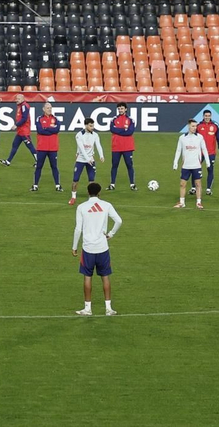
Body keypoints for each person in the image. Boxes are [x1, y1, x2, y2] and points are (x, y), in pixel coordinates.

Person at [71, 182, 123, 316]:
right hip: (102, 247)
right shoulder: (106, 205)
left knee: (87, 277)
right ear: (99, 192)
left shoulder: (82, 207)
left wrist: (74, 247)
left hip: (88, 248)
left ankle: (87, 309)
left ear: (88, 192)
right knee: (105, 276)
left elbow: (78, 229)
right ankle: (108, 308)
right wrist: (111, 234)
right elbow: (119, 221)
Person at [171, 118, 210, 210]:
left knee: (198, 184)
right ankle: (182, 202)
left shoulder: (200, 137)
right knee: (182, 184)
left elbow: (204, 149)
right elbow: (178, 150)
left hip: (196, 165)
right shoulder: (182, 138)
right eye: (193, 126)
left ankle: (199, 202)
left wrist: (207, 162)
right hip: (186, 165)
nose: (194, 128)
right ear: (188, 126)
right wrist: (175, 162)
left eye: (196, 126)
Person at [69, 118, 103, 205]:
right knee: (75, 179)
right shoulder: (79, 135)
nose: (92, 127)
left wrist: (101, 155)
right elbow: (82, 149)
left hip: (91, 160)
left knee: (91, 180)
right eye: (90, 126)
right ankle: (73, 197)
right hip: (81, 160)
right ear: (86, 125)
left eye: (93, 125)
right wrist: (87, 159)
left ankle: (92, 198)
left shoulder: (95, 135)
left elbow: (98, 145)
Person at [32, 101, 62, 192]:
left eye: (50, 108)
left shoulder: (56, 119)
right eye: (48, 108)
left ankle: (57, 185)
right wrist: (51, 129)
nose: (49, 109)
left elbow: (57, 130)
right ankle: (35, 185)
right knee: (39, 166)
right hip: (42, 148)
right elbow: (40, 130)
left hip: (53, 148)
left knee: (54, 167)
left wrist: (47, 128)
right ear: (43, 109)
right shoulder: (39, 119)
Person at [108, 103, 137, 191]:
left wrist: (118, 131)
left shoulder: (130, 120)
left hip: (127, 147)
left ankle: (132, 184)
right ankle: (112, 184)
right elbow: (112, 129)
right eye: (119, 108)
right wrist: (124, 130)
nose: (120, 110)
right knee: (114, 165)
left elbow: (130, 132)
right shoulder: (113, 119)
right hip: (116, 147)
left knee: (129, 165)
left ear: (126, 109)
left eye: (122, 108)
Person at [195, 110, 219, 194]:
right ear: (203, 116)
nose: (207, 117)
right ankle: (194, 187)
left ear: (211, 116)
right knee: (195, 169)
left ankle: (208, 189)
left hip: (211, 153)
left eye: (208, 115)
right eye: (206, 115)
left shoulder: (215, 126)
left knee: (210, 170)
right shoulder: (198, 126)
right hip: (199, 152)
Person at [2, 97, 35, 167]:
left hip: (24, 131)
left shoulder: (24, 106)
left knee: (30, 147)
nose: (16, 100)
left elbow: (24, 118)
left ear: (23, 99)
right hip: (20, 131)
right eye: (16, 98)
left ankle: (39, 162)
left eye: (18, 99)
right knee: (15, 145)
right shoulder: (21, 106)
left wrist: (16, 125)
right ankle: (8, 161)